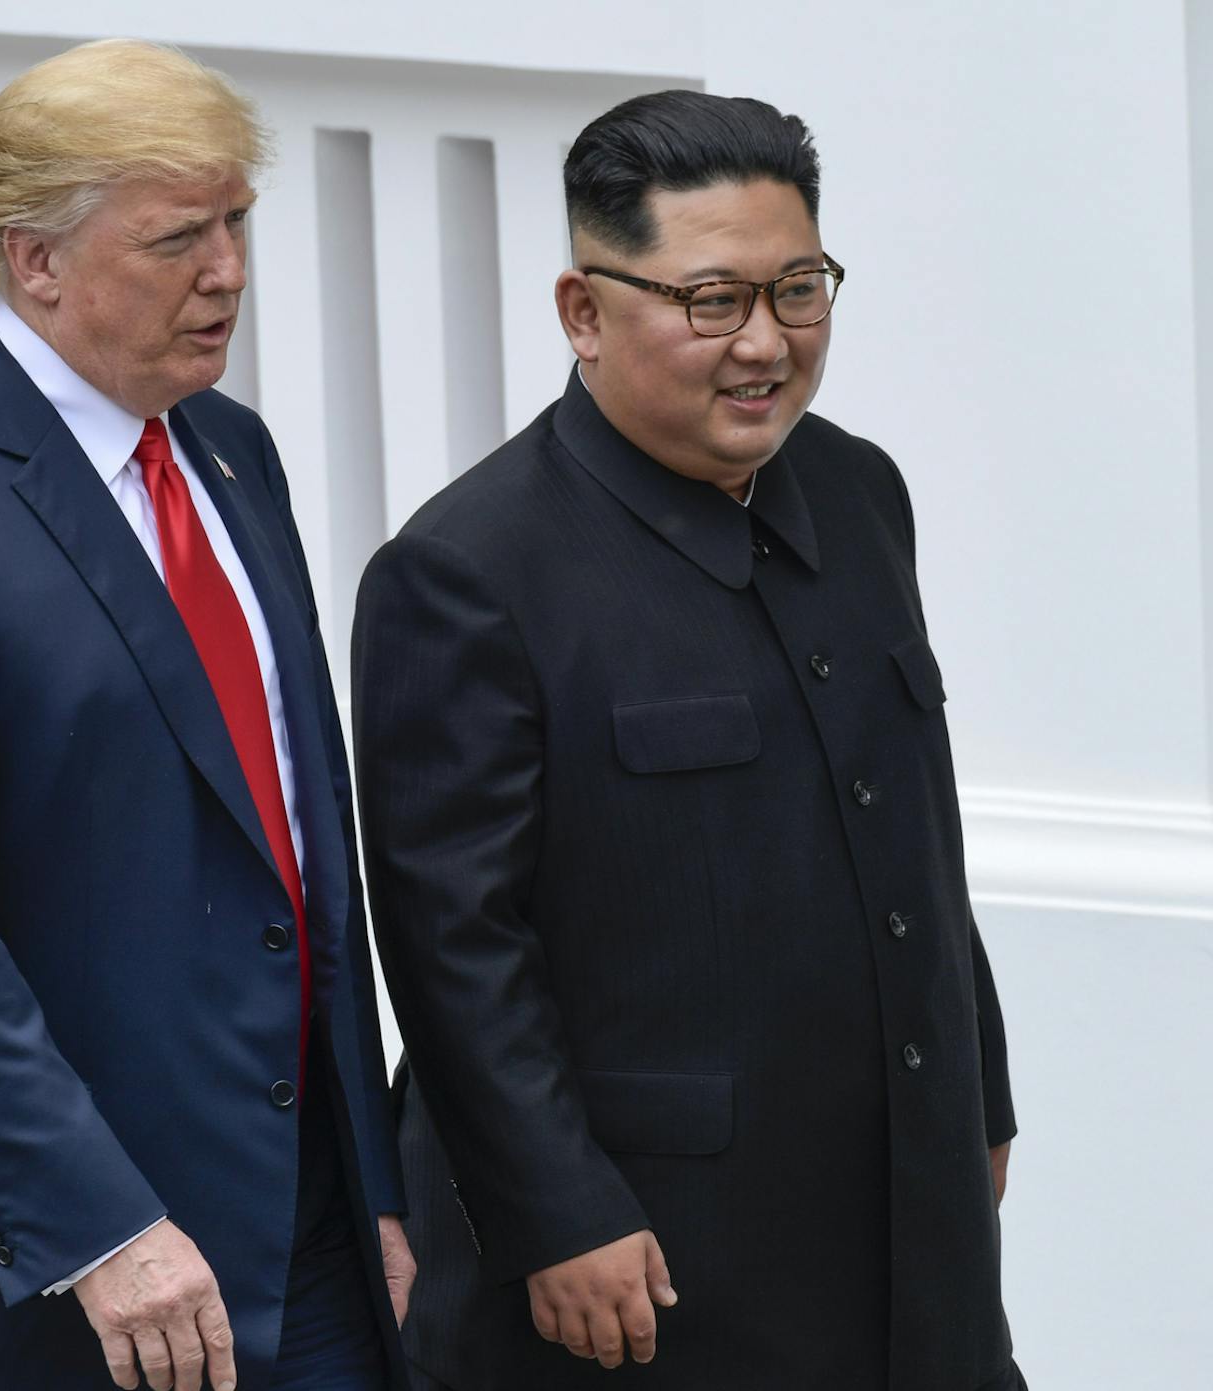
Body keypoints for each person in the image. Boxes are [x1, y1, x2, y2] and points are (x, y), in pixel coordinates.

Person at [0, 39, 412, 1391]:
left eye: (236, 223)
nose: (228, 270)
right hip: (15, 1263)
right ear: (31, 259)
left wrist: (373, 1180)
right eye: (178, 237)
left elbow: (296, 834)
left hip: (294, 1222)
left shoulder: (230, 449)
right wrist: (97, 1220)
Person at [351, 89, 1023, 1391]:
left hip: (903, 1220)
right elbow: (452, 946)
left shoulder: (859, 490)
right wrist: (555, 1213)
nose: (764, 343)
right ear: (584, 312)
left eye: (800, 290)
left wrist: (975, 1096)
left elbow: (912, 831)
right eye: (713, 301)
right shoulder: (466, 571)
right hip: (644, 1256)